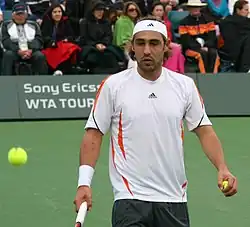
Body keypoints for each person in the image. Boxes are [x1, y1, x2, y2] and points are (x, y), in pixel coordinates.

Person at [74, 16, 238, 227]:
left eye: (154, 43)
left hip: (174, 200)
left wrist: (222, 168)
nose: (147, 50)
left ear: (166, 46)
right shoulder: (113, 86)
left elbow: (204, 130)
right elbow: (93, 134)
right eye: (140, 43)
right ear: (132, 47)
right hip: (129, 199)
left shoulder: (184, 86)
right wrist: (83, 183)